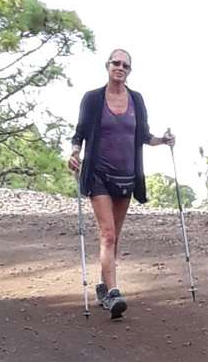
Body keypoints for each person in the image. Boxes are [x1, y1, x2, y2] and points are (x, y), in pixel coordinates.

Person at [68, 47, 174, 318]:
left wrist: (163, 141)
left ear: (130, 71)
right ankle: (114, 294)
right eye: (116, 63)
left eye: (125, 65)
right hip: (98, 175)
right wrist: (75, 154)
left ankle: (103, 287)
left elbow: (143, 135)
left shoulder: (136, 100)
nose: (120, 68)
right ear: (107, 66)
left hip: (126, 177)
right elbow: (79, 133)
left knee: (115, 237)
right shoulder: (92, 99)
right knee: (107, 234)